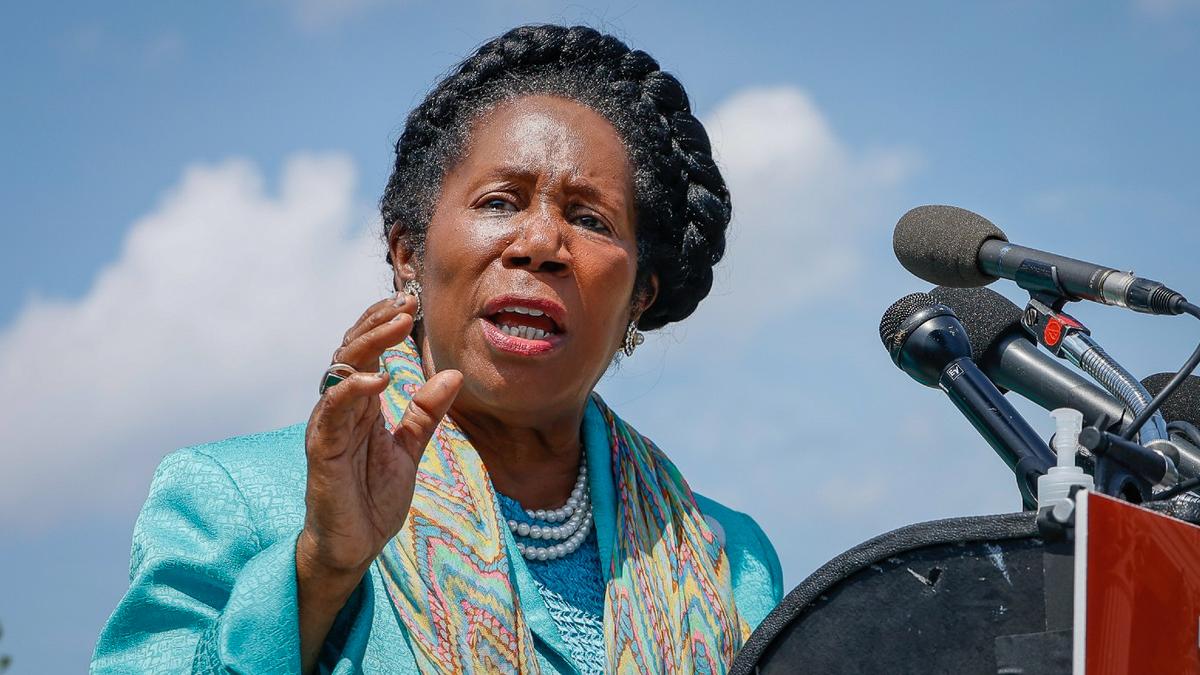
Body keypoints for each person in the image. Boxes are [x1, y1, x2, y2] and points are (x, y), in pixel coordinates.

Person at [92, 24, 782, 674]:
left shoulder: (729, 558)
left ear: (640, 296)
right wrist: (319, 572)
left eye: (589, 218)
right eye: (499, 202)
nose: (540, 243)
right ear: (408, 255)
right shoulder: (234, 497)